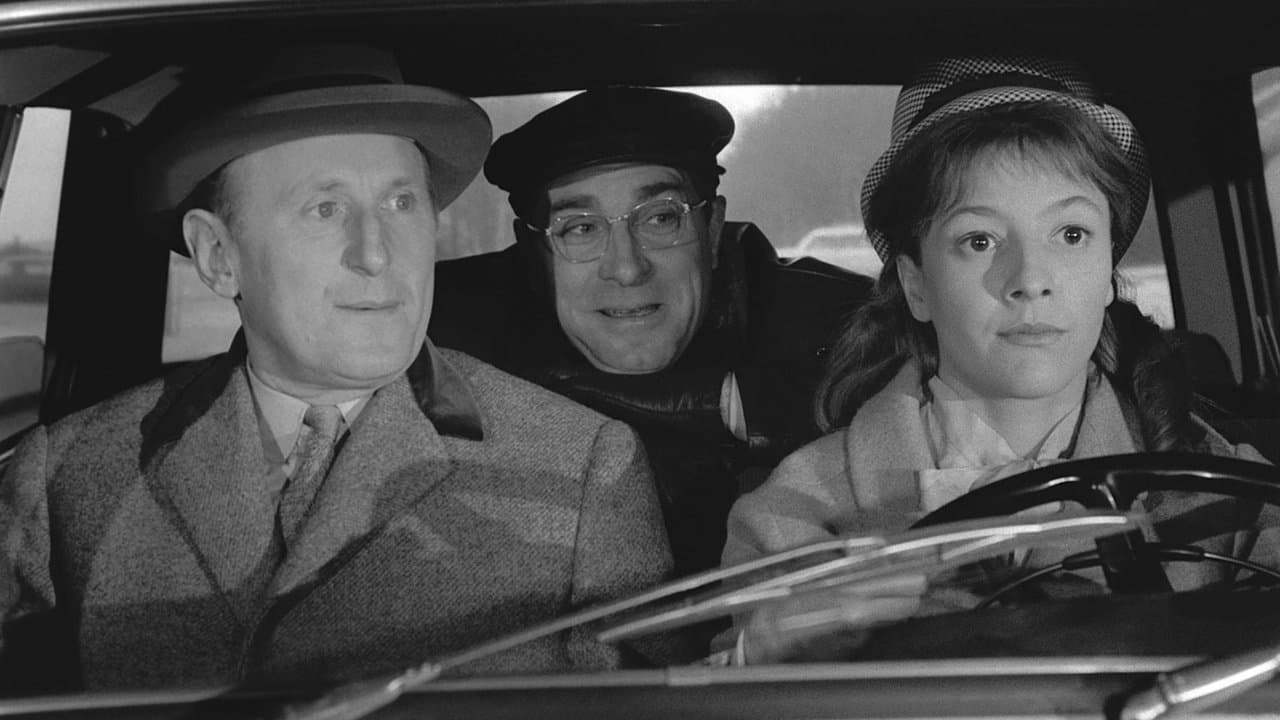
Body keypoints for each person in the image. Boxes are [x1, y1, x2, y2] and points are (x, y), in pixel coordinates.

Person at [0, 46, 676, 691]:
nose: (376, 253)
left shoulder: (583, 469)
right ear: (217, 257)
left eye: (401, 203)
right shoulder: (67, 475)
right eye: (325, 209)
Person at [722, 56, 1277, 661]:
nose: (1031, 279)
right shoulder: (799, 511)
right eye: (980, 240)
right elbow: (708, 688)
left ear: (1107, 269)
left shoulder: (1227, 490)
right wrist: (765, 646)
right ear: (916, 284)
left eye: (1071, 235)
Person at [429, 86, 873, 576]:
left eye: (661, 218)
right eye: (581, 228)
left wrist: (742, 404)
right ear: (535, 256)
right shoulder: (447, 340)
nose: (626, 267)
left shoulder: (842, 328)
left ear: (712, 230)